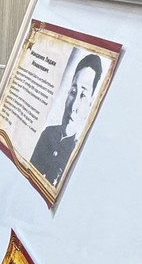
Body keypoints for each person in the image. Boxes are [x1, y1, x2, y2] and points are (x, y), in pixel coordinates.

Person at [30, 52, 103, 187]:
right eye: (73, 92)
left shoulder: (78, 151)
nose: (73, 105)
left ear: (90, 104)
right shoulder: (47, 134)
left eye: (83, 95)